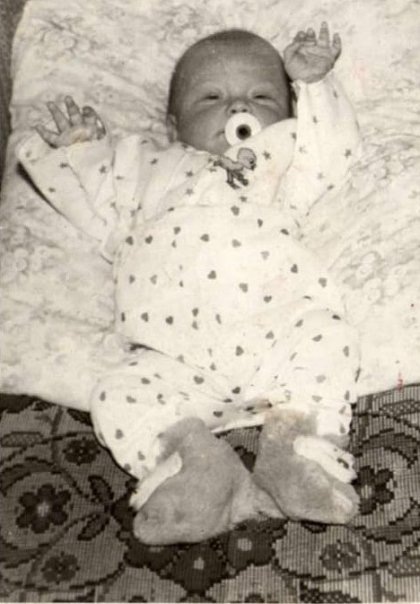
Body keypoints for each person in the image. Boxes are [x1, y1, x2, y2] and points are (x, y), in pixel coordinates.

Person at [18, 23, 361, 537]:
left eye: (262, 96)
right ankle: (196, 465)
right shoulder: (143, 164)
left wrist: (314, 86)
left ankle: (296, 446)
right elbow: (94, 203)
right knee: (116, 393)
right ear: (173, 125)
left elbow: (334, 155)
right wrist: (81, 151)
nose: (237, 106)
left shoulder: (282, 155)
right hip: (172, 358)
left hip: (275, 335)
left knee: (329, 337)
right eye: (212, 97)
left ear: (289, 114)